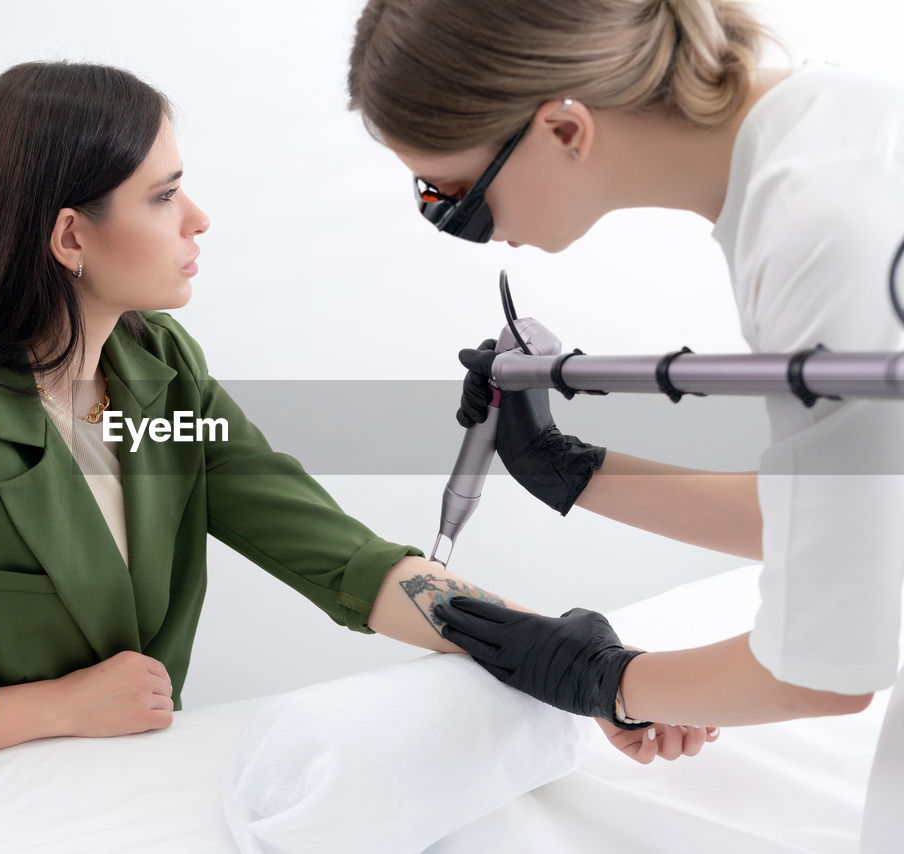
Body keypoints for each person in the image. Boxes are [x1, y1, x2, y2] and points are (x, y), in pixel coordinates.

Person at [0, 61, 711, 787]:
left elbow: (342, 560)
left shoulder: (159, 378)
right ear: (71, 236)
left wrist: (577, 667)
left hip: (111, 800)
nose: (197, 218)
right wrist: (54, 706)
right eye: (163, 197)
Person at [346, 0, 904, 849]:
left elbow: (826, 671)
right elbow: (856, 525)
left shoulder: (820, 232)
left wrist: (603, 681)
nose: (452, 224)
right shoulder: (827, 140)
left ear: (565, 130)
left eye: (455, 198)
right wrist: (570, 467)